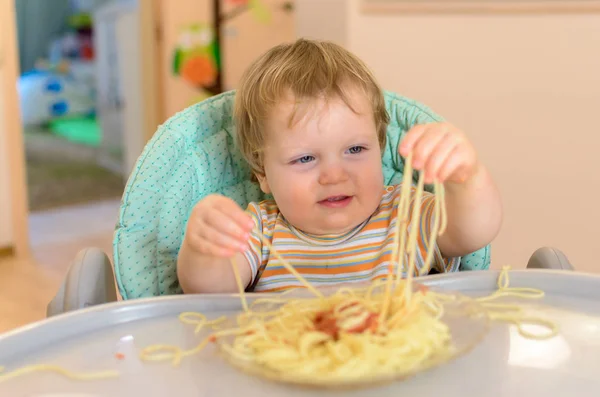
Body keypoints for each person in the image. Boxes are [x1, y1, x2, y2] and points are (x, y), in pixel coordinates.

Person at [177, 38, 502, 293]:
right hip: (290, 369)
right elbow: (212, 289)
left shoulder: (404, 215)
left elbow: (472, 232)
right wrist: (205, 248)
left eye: (355, 149)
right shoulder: (261, 231)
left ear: (380, 147)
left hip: (399, 367)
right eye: (305, 158)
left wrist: (466, 178)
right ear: (262, 173)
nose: (334, 175)